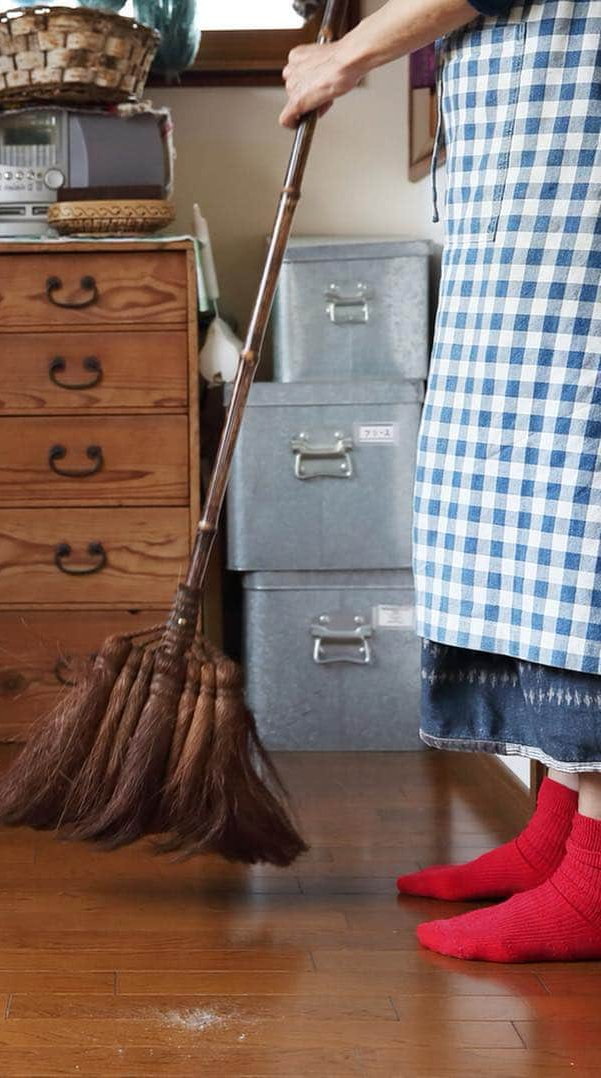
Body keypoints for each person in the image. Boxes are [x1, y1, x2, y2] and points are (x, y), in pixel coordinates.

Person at [280, 0, 601, 963]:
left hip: (574, 175)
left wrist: (347, 55)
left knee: (580, 507)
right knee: (530, 510)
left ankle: (593, 880)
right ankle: (557, 836)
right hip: (527, 168)